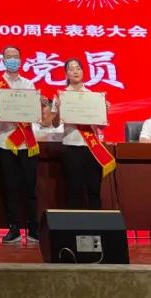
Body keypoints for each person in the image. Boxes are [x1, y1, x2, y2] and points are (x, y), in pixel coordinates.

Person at [0, 46, 45, 244]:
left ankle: (33, 229)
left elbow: (36, 113)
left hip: (27, 142)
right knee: (10, 187)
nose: (12, 60)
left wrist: (41, 103)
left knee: (30, 187)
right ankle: (14, 228)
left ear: (21, 60)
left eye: (15, 56)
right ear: (3, 60)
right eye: (8, 57)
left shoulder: (28, 83)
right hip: (5, 142)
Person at [53, 57, 112, 210]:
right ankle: (75, 224)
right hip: (71, 147)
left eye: (78, 68)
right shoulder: (61, 96)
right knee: (74, 191)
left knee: (94, 190)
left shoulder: (94, 96)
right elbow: (54, 124)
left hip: (92, 148)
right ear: (66, 74)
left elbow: (102, 126)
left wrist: (104, 111)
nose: (75, 71)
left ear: (83, 71)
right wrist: (58, 110)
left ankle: (97, 224)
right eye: (71, 69)